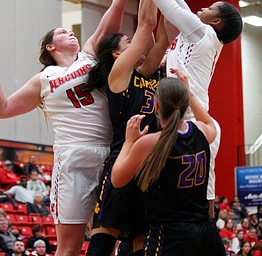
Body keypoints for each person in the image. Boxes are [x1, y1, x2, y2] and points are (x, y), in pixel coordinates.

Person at [0, 1, 129, 254]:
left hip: (108, 156)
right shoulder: (43, 79)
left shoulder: (89, 55)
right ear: (50, 46)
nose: (70, 32)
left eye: (70, 31)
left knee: (108, 245)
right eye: (62, 31)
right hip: (72, 160)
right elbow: (1, 109)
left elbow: (113, 17)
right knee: (69, 247)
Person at [85, 0, 168, 255]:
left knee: (142, 241)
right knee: (104, 239)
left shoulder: (148, 73)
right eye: (129, 43)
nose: (137, 44)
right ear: (117, 54)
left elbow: (162, 36)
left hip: (150, 164)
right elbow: (145, 25)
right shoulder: (119, 73)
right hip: (123, 159)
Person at [111, 68, 217, 255]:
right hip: (206, 232)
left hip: (170, 234)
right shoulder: (201, 131)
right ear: (185, 105)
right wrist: (188, 91)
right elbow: (210, 123)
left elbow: (117, 179)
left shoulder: (150, 142)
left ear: (156, 107)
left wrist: (128, 142)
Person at [153, 0, 242, 218]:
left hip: (194, 118)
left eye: (209, 8)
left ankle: (208, 237)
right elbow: (179, 6)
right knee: (200, 192)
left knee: (202, 197)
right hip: (193, 115)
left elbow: (170, 7)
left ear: (216, 21)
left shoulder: (201, 31)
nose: (202, 9)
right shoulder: (196, 33)